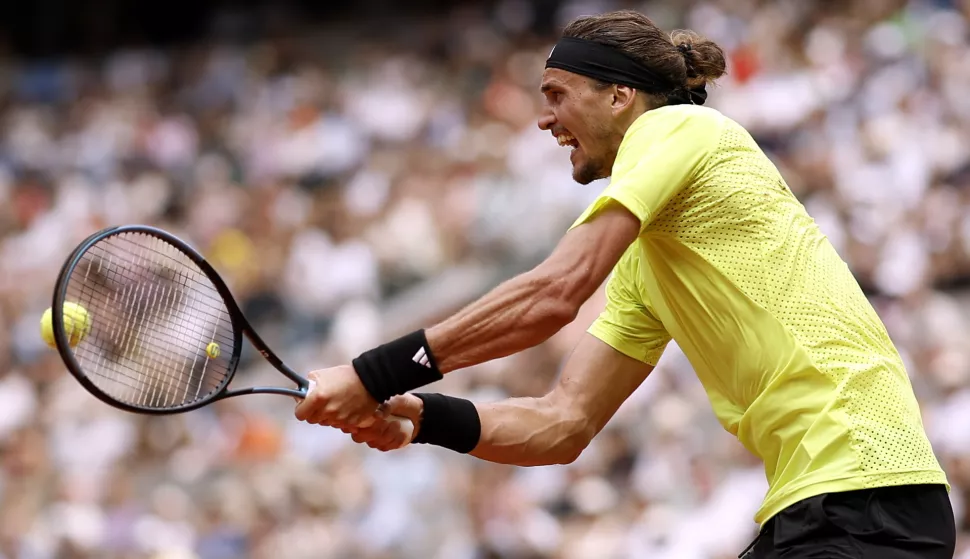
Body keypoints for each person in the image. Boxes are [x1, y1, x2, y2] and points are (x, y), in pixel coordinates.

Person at [293, 9, 956, 558]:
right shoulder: (648, 259)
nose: (544, 119)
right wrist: (424, 417)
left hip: (864, 495)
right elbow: (564, 423)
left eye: (557, 93)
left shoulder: (680, 128)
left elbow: (555, 292)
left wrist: (377, 373)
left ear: (619, 96)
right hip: (834, 505)